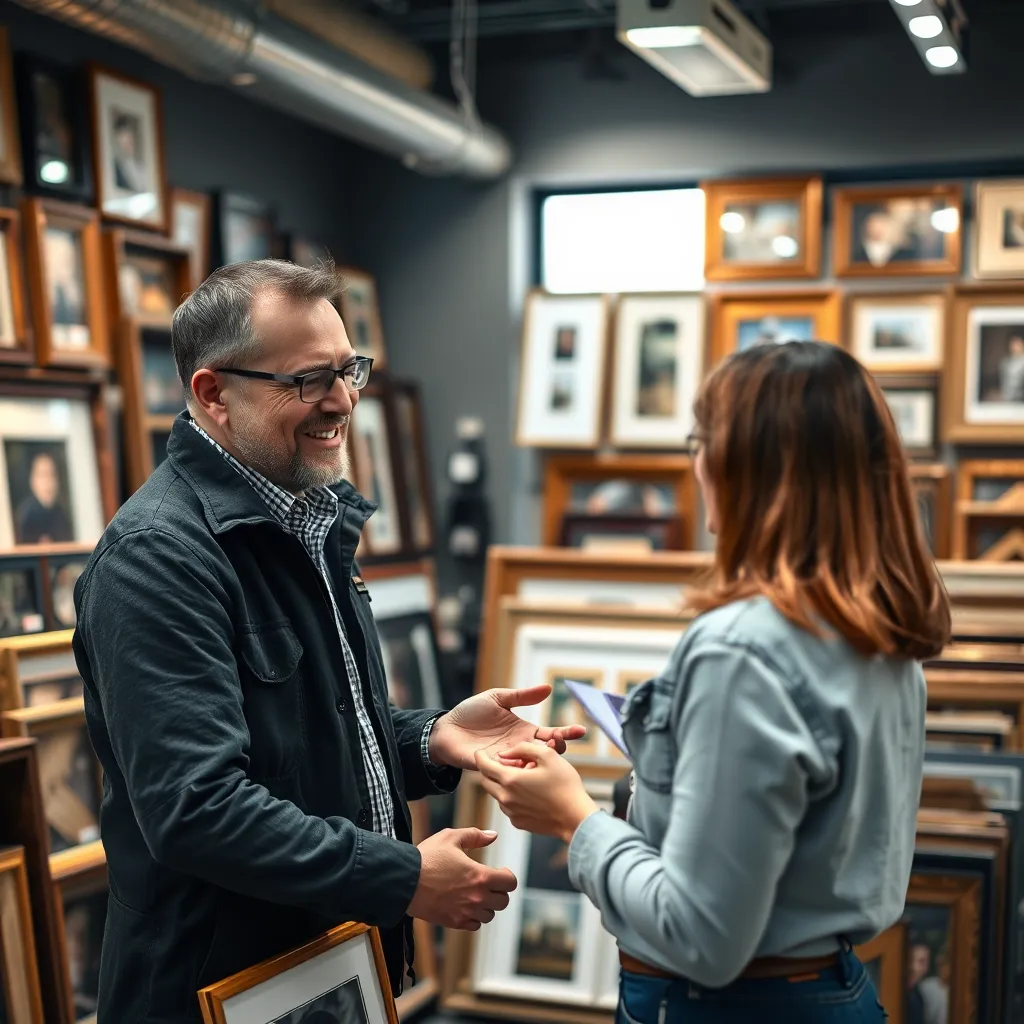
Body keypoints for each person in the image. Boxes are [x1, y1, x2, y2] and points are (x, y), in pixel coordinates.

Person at [71, 259, 584, 1022]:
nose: (342, 400)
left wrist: (430, 740)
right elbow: (198, 808)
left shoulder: (307, 518)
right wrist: (403, 876)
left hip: (323, 971)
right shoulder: (157, 560)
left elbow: (306, 740)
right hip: (216, 991)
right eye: (309, 381)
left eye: (348, 371)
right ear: (214, 394)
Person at [477, 340, 952, 1023]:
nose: (695, 462)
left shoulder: (741, 651)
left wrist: (572, 818)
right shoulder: (880, 630)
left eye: (701, 440)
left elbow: (700, 935)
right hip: (835, 992)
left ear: (745, 466)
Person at [15, 451, 73, 544]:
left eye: (52, 475)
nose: (48, 481)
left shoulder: (62, 514)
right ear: (32, 480)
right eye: (42, 475)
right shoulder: (26, 515)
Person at [998, 335, 1024, 402]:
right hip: (1007, 397)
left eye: (1018, 344)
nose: (1015, 347)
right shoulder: (1005, 362)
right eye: (1013, 344)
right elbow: (1003, 381)